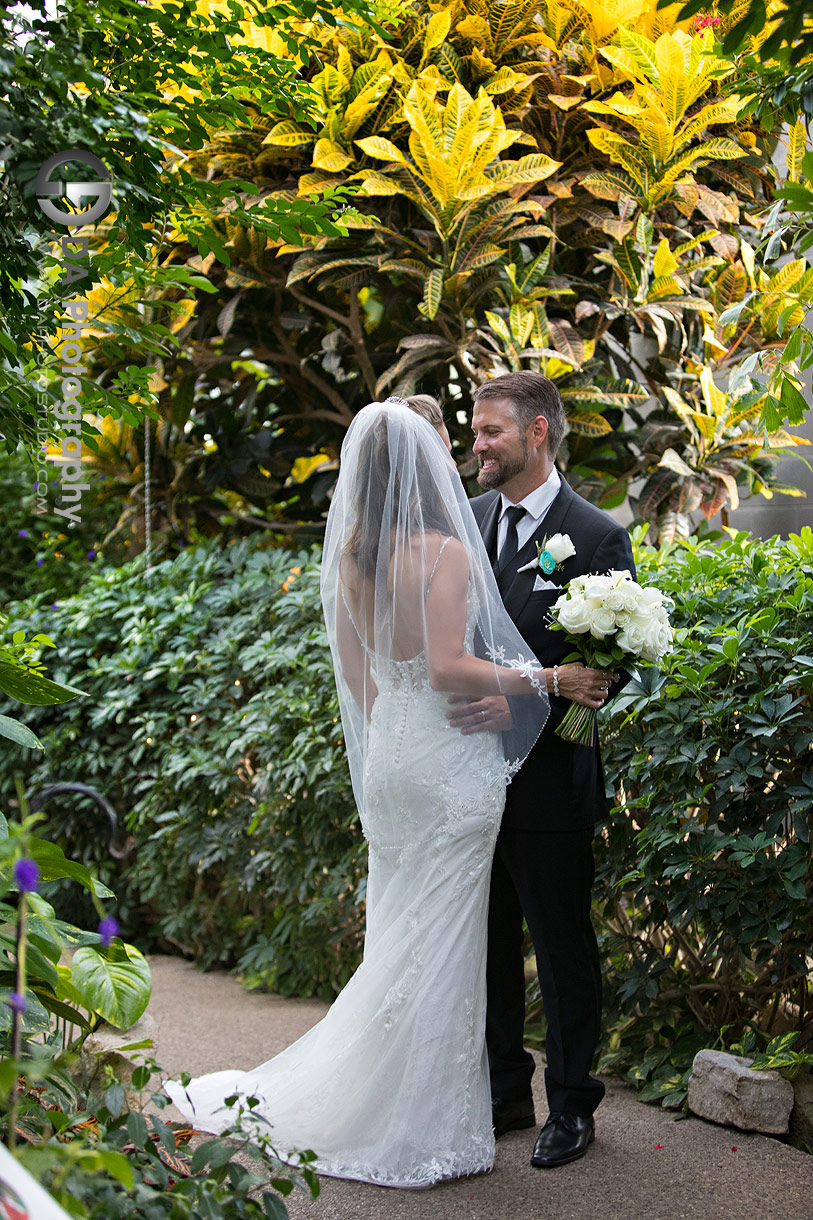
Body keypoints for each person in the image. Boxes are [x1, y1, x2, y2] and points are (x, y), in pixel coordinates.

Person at [165, 398, 553, 1189]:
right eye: (442, 443)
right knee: (441, 941)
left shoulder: (351, 555)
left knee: (404, 934)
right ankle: (416, 1126)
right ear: (417, 463)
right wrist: (542, 676)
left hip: (394, 756)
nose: (452, 454)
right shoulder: (442, 551)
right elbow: (449, 667)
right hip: (447, 760)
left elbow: (358, 678)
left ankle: (393, 1100)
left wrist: (402, 737)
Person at [447, 371, 635, 1169]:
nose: (476, 445)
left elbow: (607, 674)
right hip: (465, 776)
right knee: (484, 945)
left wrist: (521, 711)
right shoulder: (469, 522)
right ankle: (502, 1095)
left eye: (490, 431)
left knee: (561, 950)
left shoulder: (594, 536)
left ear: (536, 434)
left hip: (550, 783)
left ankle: (571, 1106)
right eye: (475, 431)